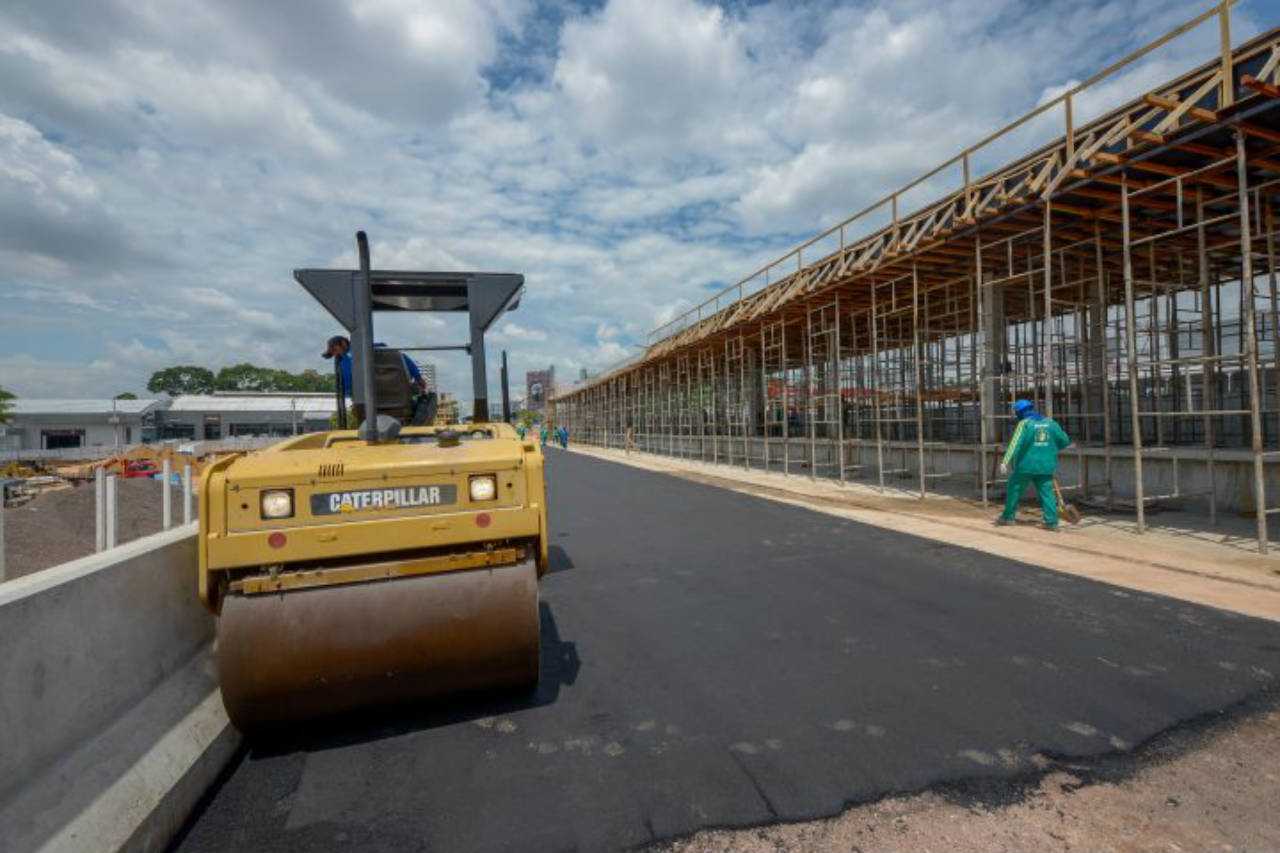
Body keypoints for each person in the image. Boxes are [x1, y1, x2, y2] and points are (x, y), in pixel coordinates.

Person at [995, 399, 1071, 530]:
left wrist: (1005, 461)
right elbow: (1064, 441)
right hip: (1046, 466)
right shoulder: (1051, 423)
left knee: (1014, 489)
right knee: (1047, 493)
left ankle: (1008, 517)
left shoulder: (1024, 424)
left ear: (1019, 412)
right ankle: (1051, 522)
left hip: (1026, 466)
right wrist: (1050, 449)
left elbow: (1015, 444)